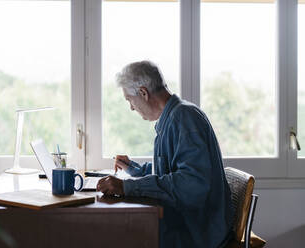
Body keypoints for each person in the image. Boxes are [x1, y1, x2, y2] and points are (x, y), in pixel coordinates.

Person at [96, 61, 233, 248]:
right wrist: (133, 169)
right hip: (187, 223)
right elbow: (169, 170)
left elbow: (191, 184)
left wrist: (128, 187)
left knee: (115, 235)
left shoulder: (184, 118)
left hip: (197, 233)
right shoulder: (172, 117)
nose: (131, 108)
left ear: (143, 93)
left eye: (129, 100)